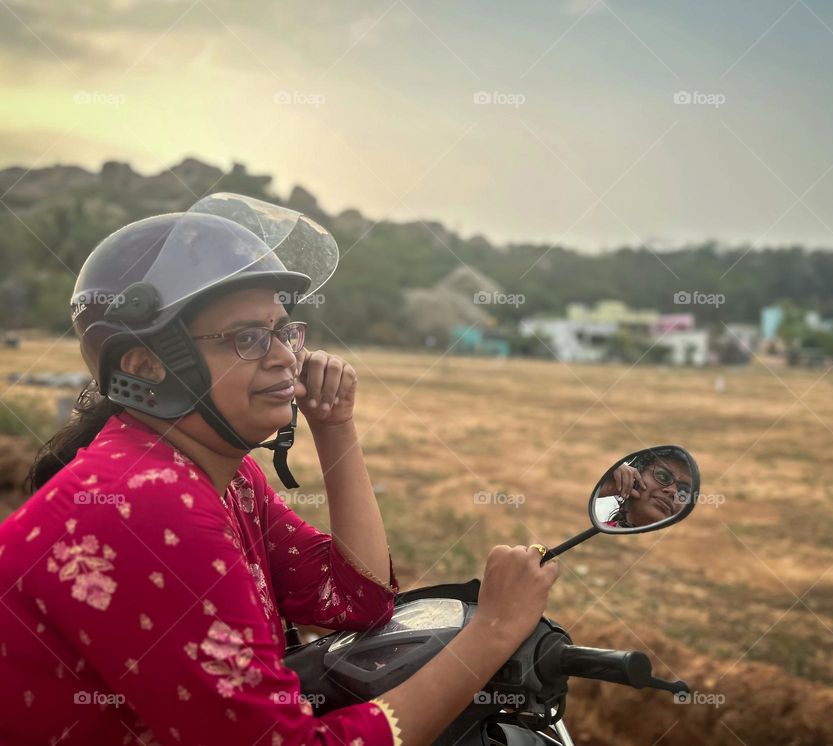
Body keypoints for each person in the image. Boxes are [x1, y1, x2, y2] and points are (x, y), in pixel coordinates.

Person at [0, 194, 559, 746]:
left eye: (284, 331)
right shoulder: (143, 503)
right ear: (146, 366)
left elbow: (356, 600)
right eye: (247, 338)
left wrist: (335, 426)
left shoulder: (229, 481)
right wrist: (493, 632)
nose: (287, 357)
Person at [598, 448, 693, 528]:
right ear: (634, 477)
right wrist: (602, 487)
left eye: (685, 491)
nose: (674, 492)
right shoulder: (598, 534)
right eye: (663, 476)